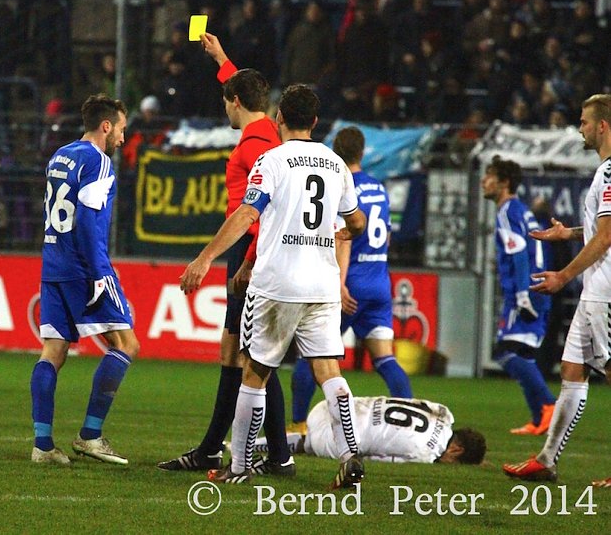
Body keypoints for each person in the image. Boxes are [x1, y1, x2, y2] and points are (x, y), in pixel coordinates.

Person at [180, 84, 367, 486]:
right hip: (322, 285)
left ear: (279, 117)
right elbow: (355, 221)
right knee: (329, 370)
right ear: (315, 122)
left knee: (254, 372)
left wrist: (206, 257)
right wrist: (348, 232)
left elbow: (248, 213)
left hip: (278, 283)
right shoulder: (335, 164)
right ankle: (350, 454)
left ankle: (239, 466)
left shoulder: (273, 160)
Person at [158, 33, 293, 476]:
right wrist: (221, 59)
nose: (225, 108)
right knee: (244, 351)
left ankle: (245, 453)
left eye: (226, 100)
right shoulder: (267, 131)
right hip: (255, 251)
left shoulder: (255, 147)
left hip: (250, 251)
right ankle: (242, 451)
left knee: (246, 354)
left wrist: (243, 261)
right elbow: (242, 87)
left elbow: (258, 212)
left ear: (235, 102)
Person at [504, 94, 611, 482]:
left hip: (604, 290)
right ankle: (547, 459)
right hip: (594, 289)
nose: (580, 128)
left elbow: (607, 237)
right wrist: (570, 233)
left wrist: (563, 275)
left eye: (584, 122)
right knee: (572, 369)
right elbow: (599, 230)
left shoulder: (610, 173)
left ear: (602, 126)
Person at [31, 94, 139, 466]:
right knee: (126, 344)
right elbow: (88, 220)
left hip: (53, 265)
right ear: (106, 126)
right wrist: (98, 272)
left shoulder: (59, 155)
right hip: (83, 267)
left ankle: (42, 445)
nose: (122, 138)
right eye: (121, 130)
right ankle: (90, 435)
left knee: (53, 351)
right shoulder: (99, 161)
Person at [290, 126, 412, 434]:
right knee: (385, 359)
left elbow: (342, 238)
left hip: (351, 283)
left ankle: (299, 424)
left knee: (311, 354)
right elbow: (384, 235)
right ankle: (410, 427)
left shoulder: (342, 185)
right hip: (380, 282)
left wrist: (340, 284)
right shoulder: (378, 187)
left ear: (336, 151)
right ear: (362, 152)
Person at [482, 156, 556, 435]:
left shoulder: (506, 212)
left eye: (489, 176)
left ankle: (549, 405)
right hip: (538, 286)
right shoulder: (522, 210)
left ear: (504, 183)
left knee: (504, 352)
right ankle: (539, 419)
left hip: (524, 291)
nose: (483, 181)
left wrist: (523, 294)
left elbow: (519, 254)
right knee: (523, 353)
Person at [251, 396, 486, 465]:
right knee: (313, 444)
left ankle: (245, 444)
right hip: (331, 438)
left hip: (331, 405)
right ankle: (249, 447)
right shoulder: (424, 455)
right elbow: (377, 458)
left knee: (311, 438)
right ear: (456, 450)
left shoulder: (443, 412)